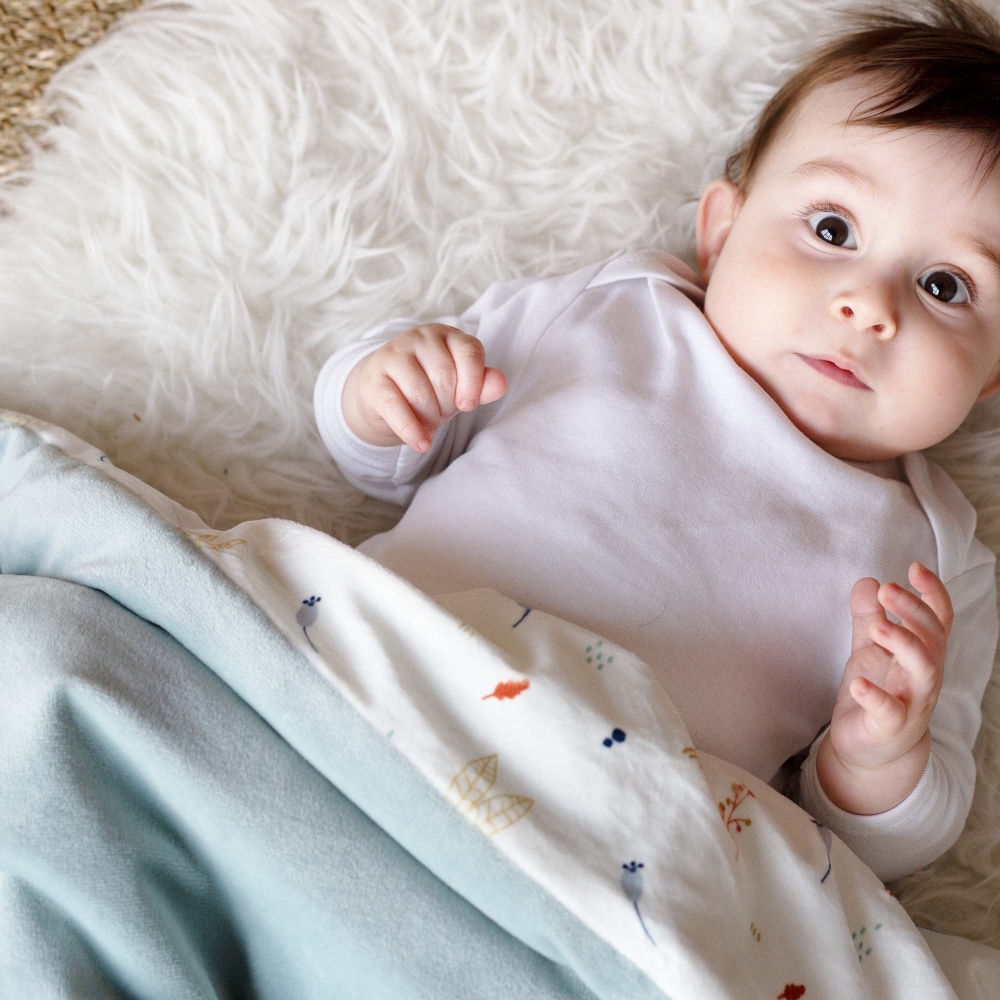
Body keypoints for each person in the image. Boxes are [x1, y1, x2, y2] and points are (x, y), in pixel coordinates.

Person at [313, 0, 1000, 883]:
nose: (871, 306)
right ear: (721, 231)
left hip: (591, 843)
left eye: (947, 286)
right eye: (832, 230)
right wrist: (383, 392)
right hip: (379, 676)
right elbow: (385, 456)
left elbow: (895, 842)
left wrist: (879, 757)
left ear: (988, 375)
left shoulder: (936, 564)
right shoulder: (612, 312)